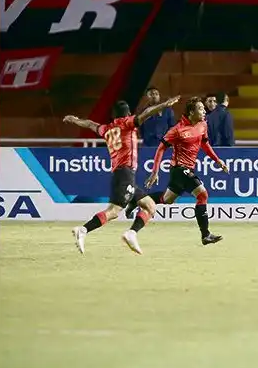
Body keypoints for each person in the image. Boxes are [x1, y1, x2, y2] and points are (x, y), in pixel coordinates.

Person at [63, 95, 180, 255]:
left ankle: (131, 234)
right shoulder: (127, 123)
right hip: (125, 173)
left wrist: (75, 120)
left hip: (121, 174)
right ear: (128, 113)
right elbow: (147, 113)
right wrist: (164, 105)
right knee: (113, 211)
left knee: (150, 206)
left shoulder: (106, 129)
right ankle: (83, 230)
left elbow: (90, 124)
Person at [143, 96, 230, 246]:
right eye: (200, 109)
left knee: (166, 199)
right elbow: (161, 148)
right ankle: (206, 235)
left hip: (188, 168)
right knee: (202, 195)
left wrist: (217, 160)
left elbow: (205, 144)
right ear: (191, 112)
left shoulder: (203, 124)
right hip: (179, 168)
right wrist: (155, 171)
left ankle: (137, 200)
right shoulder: (177, 130)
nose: (204, 111)